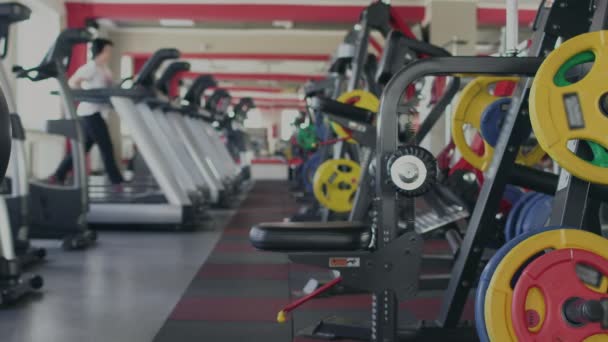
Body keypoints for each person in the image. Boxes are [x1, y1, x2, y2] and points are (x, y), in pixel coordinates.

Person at [52, 38, 124, 185]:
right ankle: (116, 180)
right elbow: (73, 82)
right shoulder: (90, 67)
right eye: (108, 50)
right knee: (106, 146)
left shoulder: (104, 68)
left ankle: (58, 175)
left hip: (96, 113)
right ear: (101, 50)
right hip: (90, 113)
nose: (109, 53)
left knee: (82, 148)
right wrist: (86, 94)